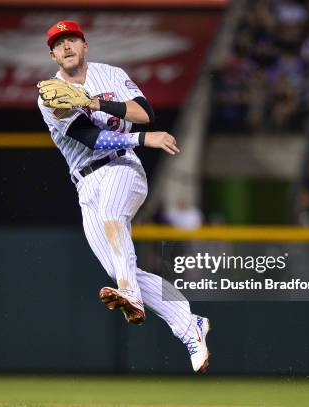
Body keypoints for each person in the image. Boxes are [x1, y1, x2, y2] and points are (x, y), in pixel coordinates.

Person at [37, 20, 211, 373]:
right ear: (52, 54)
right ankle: (189, 324)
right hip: (86, 184)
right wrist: (142, 139)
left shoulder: (111, 74)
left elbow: (145, 113)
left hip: (122, 169)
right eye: (59, 43)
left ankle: (130, 294)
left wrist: (96, 101)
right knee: (120, 267)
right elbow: (89, 138)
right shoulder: (50, 95)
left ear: (85, 45)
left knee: (115, 222)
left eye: (72, 39)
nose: (67, 46)